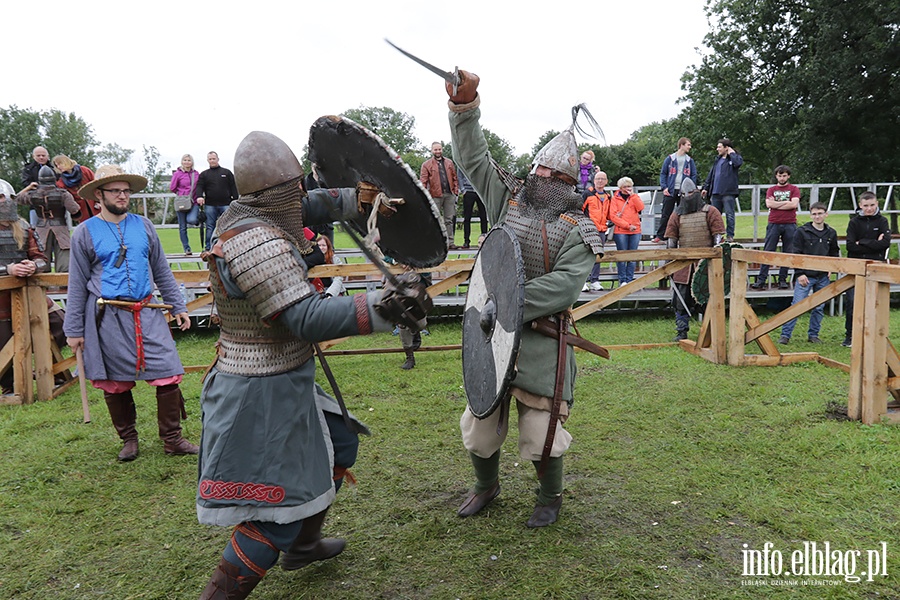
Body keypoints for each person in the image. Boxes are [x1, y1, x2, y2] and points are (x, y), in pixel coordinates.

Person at [196, 131, 430, 598]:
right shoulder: (251, 243)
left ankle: (305, 546)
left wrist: (364, 199)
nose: (300, 194)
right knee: (275, 512)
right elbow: (303, 317)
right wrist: (380, 309)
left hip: (285, 375)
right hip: (257, 391)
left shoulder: (259, 210)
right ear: (273, 194)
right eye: (293, 188)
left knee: (340, 444)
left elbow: (314, 204)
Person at [444, 71, 604, 528]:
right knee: (479, 426)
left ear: (568, 181)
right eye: (539, 168)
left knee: (541, 432)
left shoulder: (578, 231)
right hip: (491, 330)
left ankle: (550, 495)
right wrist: (465, 107)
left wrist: (512, 300)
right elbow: (473, 157)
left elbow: (564, 287)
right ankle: (485, 486)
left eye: (553, 174)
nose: (542, 176)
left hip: (541, 337)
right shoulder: (507, 199)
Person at [63, 165, 198, 462]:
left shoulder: (144, 225)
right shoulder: (84, 233)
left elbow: (162, 269)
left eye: (126, 191)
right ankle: (129, 439)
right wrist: (73, 331)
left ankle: (172, 439)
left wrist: (178, 306)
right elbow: (76, 284)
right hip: (106, 316)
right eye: (115, 191)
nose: (123, 196)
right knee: (115, 381)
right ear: (99, 195)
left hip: (147, 310)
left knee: (168, 372)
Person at [0, 179, 66, 394]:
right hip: (1, 301)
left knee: (61, 324)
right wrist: (8, 270)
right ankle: (10, 385)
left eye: (1, 198)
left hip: (29, 295)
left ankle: (52, 371)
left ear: (9, 200)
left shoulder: (24, 227)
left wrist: (33, 265)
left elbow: (42, 258)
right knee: (3, 341)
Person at [664, 180, 725, 341]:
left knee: (708, 299)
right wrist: (670, 263)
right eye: (684, 194)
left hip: (705, 263)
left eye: (690, 194)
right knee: (680, 300)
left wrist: (715, 257)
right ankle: (681, 331)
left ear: (696, 194)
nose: (687, 197)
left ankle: (710, 332)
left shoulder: (710, 211)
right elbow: (671, 240)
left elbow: (718, 236)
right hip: (684, 265)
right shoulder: (677, 214)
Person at [778, 202, 839, 344]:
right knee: (797, 305)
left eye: (820, 213)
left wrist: (831, 267)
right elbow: (795, 254)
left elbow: (834, 252)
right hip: (805, 275)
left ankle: (813, 335)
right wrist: (799, 273)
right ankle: (785, 335)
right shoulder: (801, 231)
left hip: (823, 276)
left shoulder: (831, 233)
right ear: (810, 215)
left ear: (826, 214)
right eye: (814, 214)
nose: (817, 216)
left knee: (819, 307)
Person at [842, 191, 890, 347]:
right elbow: (850, 246)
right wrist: (873, 243)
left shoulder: (883, 221)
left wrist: (861, 242)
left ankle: (875, 335)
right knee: (852, 302)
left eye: (872, 205)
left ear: (876, 204)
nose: (869, 209)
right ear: (860, 206)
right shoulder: (854, 223)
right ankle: (850, 335)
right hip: (856, 267)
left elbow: (885, 244)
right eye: (865, 206)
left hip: (877, 267)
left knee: (876, 302)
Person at [16, 166, 81, 272]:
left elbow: (16, 198)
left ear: (39, 180)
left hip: (41, 228)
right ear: (54, 179)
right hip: (60, 228)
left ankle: (43, 286)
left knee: (41, 259)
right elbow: (75, 211)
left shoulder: (32, 194)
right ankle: (62, 285)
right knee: (64, 260)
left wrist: (29, 187)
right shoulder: (63, 194)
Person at [750, 166, 800, 290]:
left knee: (787, 251)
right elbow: (768, 204)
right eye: (779, 175)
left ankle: (782, 279)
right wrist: (785, 204)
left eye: (784, 175)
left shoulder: (794, 189)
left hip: (790, 223)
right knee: (768, 251)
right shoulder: (771, 189)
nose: (782, 178)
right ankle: (761, 279)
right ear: (776, 176)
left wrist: (776, 205)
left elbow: (794, 204)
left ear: (788, 176)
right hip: (774, 223)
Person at [654, 137, 697, 243]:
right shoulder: (670, 158)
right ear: (681, 145)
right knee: (666, 213)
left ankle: (682, 235)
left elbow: (694, 175)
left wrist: (691, 188)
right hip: (671, 189)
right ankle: (660, 235)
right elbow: (663, 173)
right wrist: (664, 187)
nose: (689, 147)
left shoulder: (689, 160)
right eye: (688, 145)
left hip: (684, 191)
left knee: (684, 213)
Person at [701, 138, 743, 242]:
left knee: (730, 214)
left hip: (728, 192)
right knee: (715, 215)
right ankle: (716, 235)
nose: (717, 149)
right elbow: (711, 175)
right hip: (716, 192)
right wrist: (706, 187)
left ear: (726, 148)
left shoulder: (733, 159)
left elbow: (738, 163)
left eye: (719, 147)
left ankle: (730, 235)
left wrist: (732, 153)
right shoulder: (717, 160)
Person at [420, 142, 459, 249]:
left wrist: (455, 192)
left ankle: (450, 242)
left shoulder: (449, 163)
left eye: (439, 149)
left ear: (442, 149)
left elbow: (455, 178)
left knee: (449, 220)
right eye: (435, 150)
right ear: (432, 151)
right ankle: (435, 243)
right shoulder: (426, 165)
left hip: (449, 194)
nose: (438, 151)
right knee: (435, 220)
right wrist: (424, 196)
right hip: (434, 195)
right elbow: (423, 181)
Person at [196, 151, 238, 251]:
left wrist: (235, 200)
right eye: (210, 159)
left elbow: (233, 186)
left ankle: (229, 246)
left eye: (213, 159)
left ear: (218, 159)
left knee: (228, 226)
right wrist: (199, 196)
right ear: (207, 160)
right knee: (210, 226)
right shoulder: (204, 174)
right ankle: (209, 247)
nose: (212, 161)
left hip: (226, 204)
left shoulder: (226, 172)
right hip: (210, 205)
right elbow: (199, 186)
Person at [608, 176, 644, 286]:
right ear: (620, 188)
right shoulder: (615, 199)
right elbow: (613, 217)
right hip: (621, 231)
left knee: (632, 257)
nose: (628, 189)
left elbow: (641, 208)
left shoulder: (634, 197)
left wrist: (633, 196)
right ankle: (622, 279)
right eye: (625, 187)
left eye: (629, 186)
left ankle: (629, 279)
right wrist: (627, 226)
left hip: (635, 231)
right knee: (622, 256)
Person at [581, 170, 611, 292]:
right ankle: (583, 281)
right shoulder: (587, 194)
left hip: (602, 230)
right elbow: (580, 210)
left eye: (602, 179)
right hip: (589, 230)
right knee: (585, 256)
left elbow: (610, 213)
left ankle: (595, 280)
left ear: (606, 181)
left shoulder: (608, 196)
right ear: (594, 180)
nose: (600, 181)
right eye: (598, 179)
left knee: (598, 256)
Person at [169, 154, 202, 255]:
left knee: (191, 220)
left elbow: (200, 186)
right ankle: (186, 248)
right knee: (182, 227)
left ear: (192, 162)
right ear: (182, 162)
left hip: (194, 201)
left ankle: (197, 220)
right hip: (182, 202)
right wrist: (182, 194)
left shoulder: (196, 174)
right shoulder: (177, 174)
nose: (187, 162)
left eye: (189, 160)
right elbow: (172, 188)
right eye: (185, 160)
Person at [52, 154, 97, 221]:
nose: (58, 167)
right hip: (81, 210)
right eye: (56, 165)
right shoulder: (61, 182)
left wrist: (99, 201)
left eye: (59, 164)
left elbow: (96, 184)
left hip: (95, 204)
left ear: (66, 162)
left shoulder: (84, 170)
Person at [21, 146, 56, 228]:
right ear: (33, 156)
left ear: (48, 156)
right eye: (38, 155)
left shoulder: (54, 168)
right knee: (35, 229)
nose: (41, 157)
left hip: (54, 203)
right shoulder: (28, 169)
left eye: (43, 155)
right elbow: (25, 183)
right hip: (35, 203)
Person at [457, 169, 486, 249]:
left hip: (480, 191)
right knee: (467, 218)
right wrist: (463, 190)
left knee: (483, 217)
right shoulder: (462, 160)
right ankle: (466, 241)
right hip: (468, 191)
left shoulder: (480, 159)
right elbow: (459, 176)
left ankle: (485, 239)